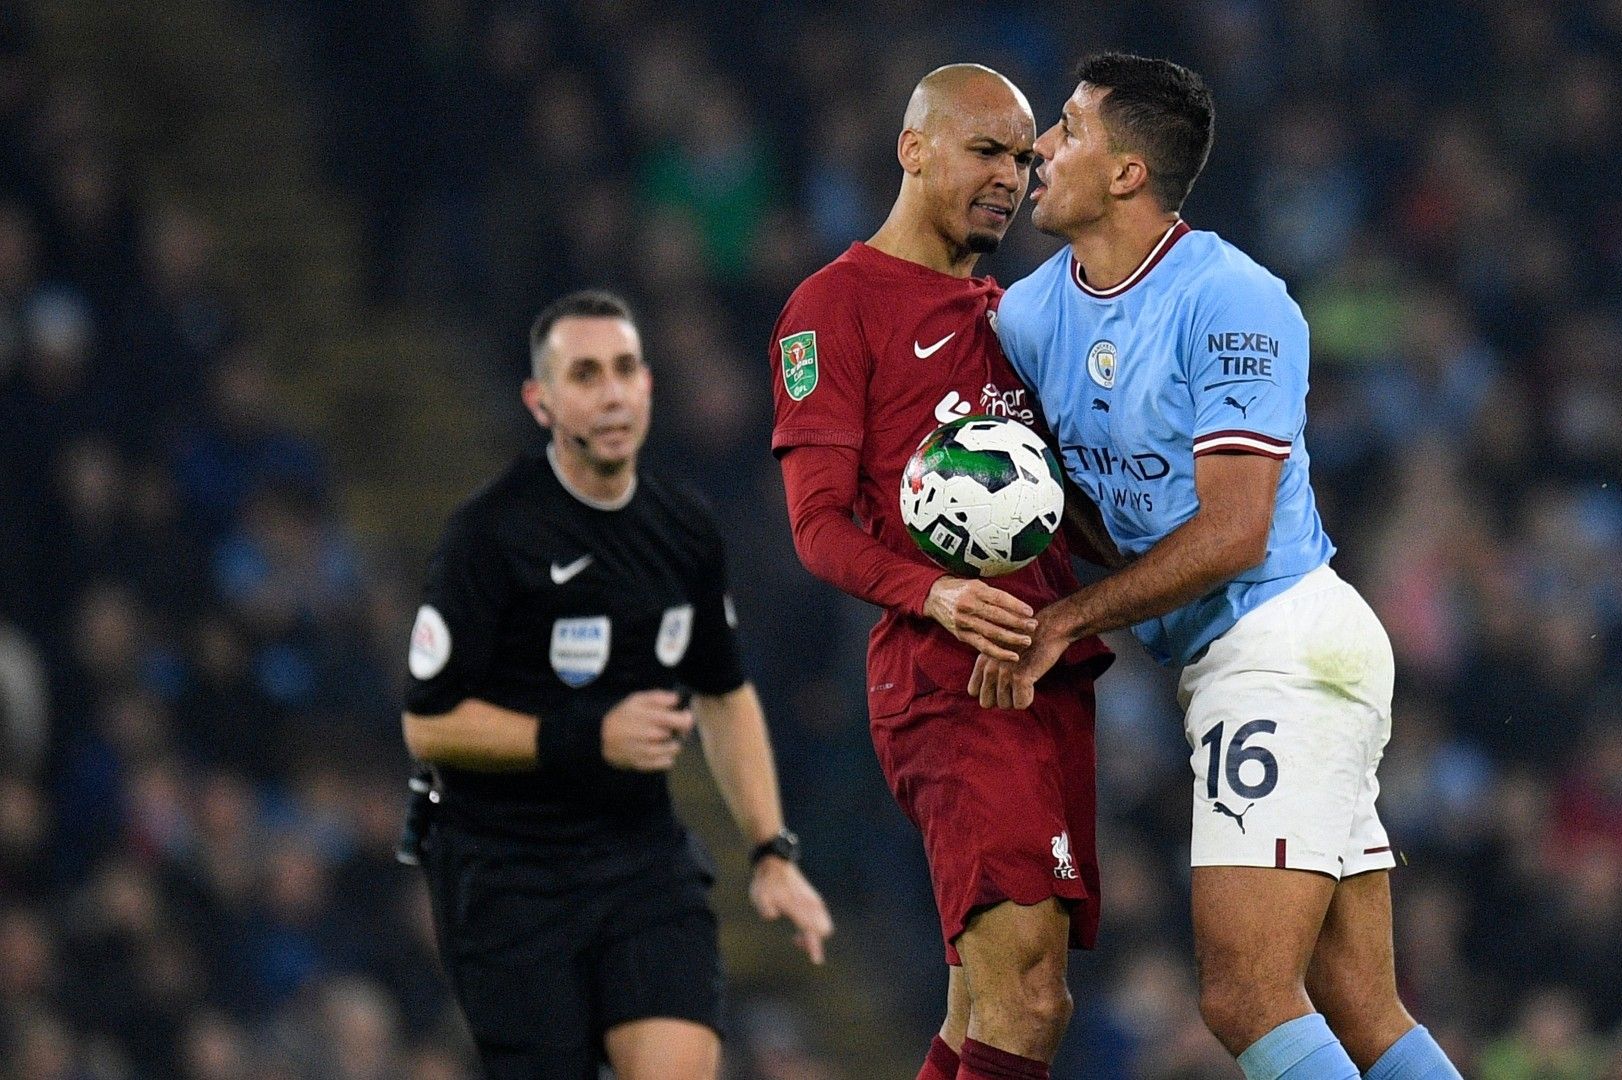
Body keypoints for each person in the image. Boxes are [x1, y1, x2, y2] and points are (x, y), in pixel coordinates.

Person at [986, 55, 1463, 1080]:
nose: (1041, 149)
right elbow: (1055, 495)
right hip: (1238, 664)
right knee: (1361, 1007)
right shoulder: (1028, 317)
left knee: (1244, 995)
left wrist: (1072, 619)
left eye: (1067, 130)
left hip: (1285, 643)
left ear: (1124, 173)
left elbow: (1235, 531)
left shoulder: (1237, 302)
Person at [769, 64, 1112, 1080]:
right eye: (986, 151)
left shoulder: (1013, 315)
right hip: (945, 682)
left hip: (1045, 673)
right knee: (1028, 1000)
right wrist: (941, 594)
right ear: (914, 150)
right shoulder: (831, 306)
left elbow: (1068, 509)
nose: (1012, 175)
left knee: (988, 1009)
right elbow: (818, 529)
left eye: (1022, 156)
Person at [400, 290, 832, 1080]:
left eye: (625, 369)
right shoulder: (489, 537)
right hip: (506, 873)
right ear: (541, 402)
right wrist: (586, 736)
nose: (610, 392)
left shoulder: (683, 528)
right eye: (585, 374)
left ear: (649, 387)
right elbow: (428, 725)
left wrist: (771, 851)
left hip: (639, 861)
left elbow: (724, 694)